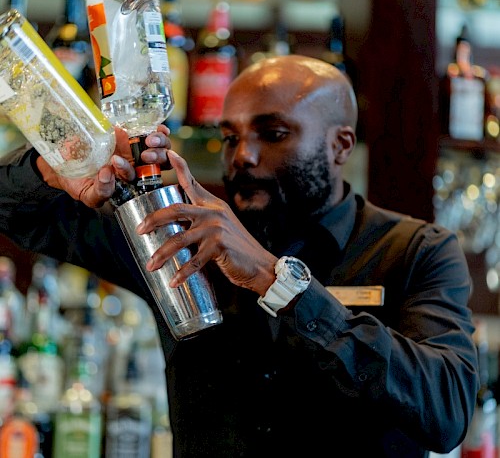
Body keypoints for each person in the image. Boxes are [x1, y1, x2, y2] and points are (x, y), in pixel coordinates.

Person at [0, 55, 478, 457]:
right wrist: (54, 166)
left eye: (272, 135)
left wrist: (279, 282)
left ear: (340, 146)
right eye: (230, 137)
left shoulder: (416, 250)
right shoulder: (176, 234)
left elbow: (447, 409)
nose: (243, 156)